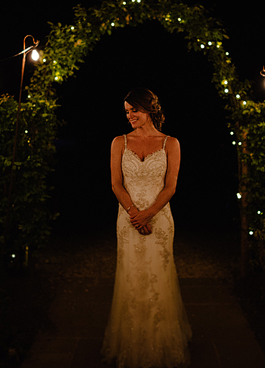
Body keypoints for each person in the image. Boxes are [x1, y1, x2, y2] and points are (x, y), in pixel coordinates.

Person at [101, 88, 192, 368]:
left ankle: (161, 341)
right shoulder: (119, 142)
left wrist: (149, 214)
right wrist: (133, 213)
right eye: (126, 112)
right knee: (130, 276)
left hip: (160, 219)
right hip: (127, 219)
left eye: (134, 111)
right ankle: (130, 340)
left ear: (149, 110)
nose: (129, 116)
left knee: (158, 276)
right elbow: (116, 184)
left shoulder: (170, 143)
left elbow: (171, 186)